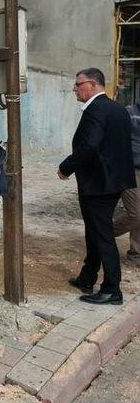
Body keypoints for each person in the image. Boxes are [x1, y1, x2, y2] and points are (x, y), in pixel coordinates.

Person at [58, 68, 136, 305]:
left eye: (78, 84)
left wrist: (66, 167)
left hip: (99, 185)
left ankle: (112, 289)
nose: (75, 89)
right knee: (94, 232)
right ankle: (87, 277)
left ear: (92, 85)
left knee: (102, 236)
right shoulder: (117, 108)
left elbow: (90, 147)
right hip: (113, 181)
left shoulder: (96, 110)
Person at [113, 101, 140, 265]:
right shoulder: (128, 113)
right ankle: (104, 235)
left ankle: (136, 254)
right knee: (136, 213)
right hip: (131, 169)